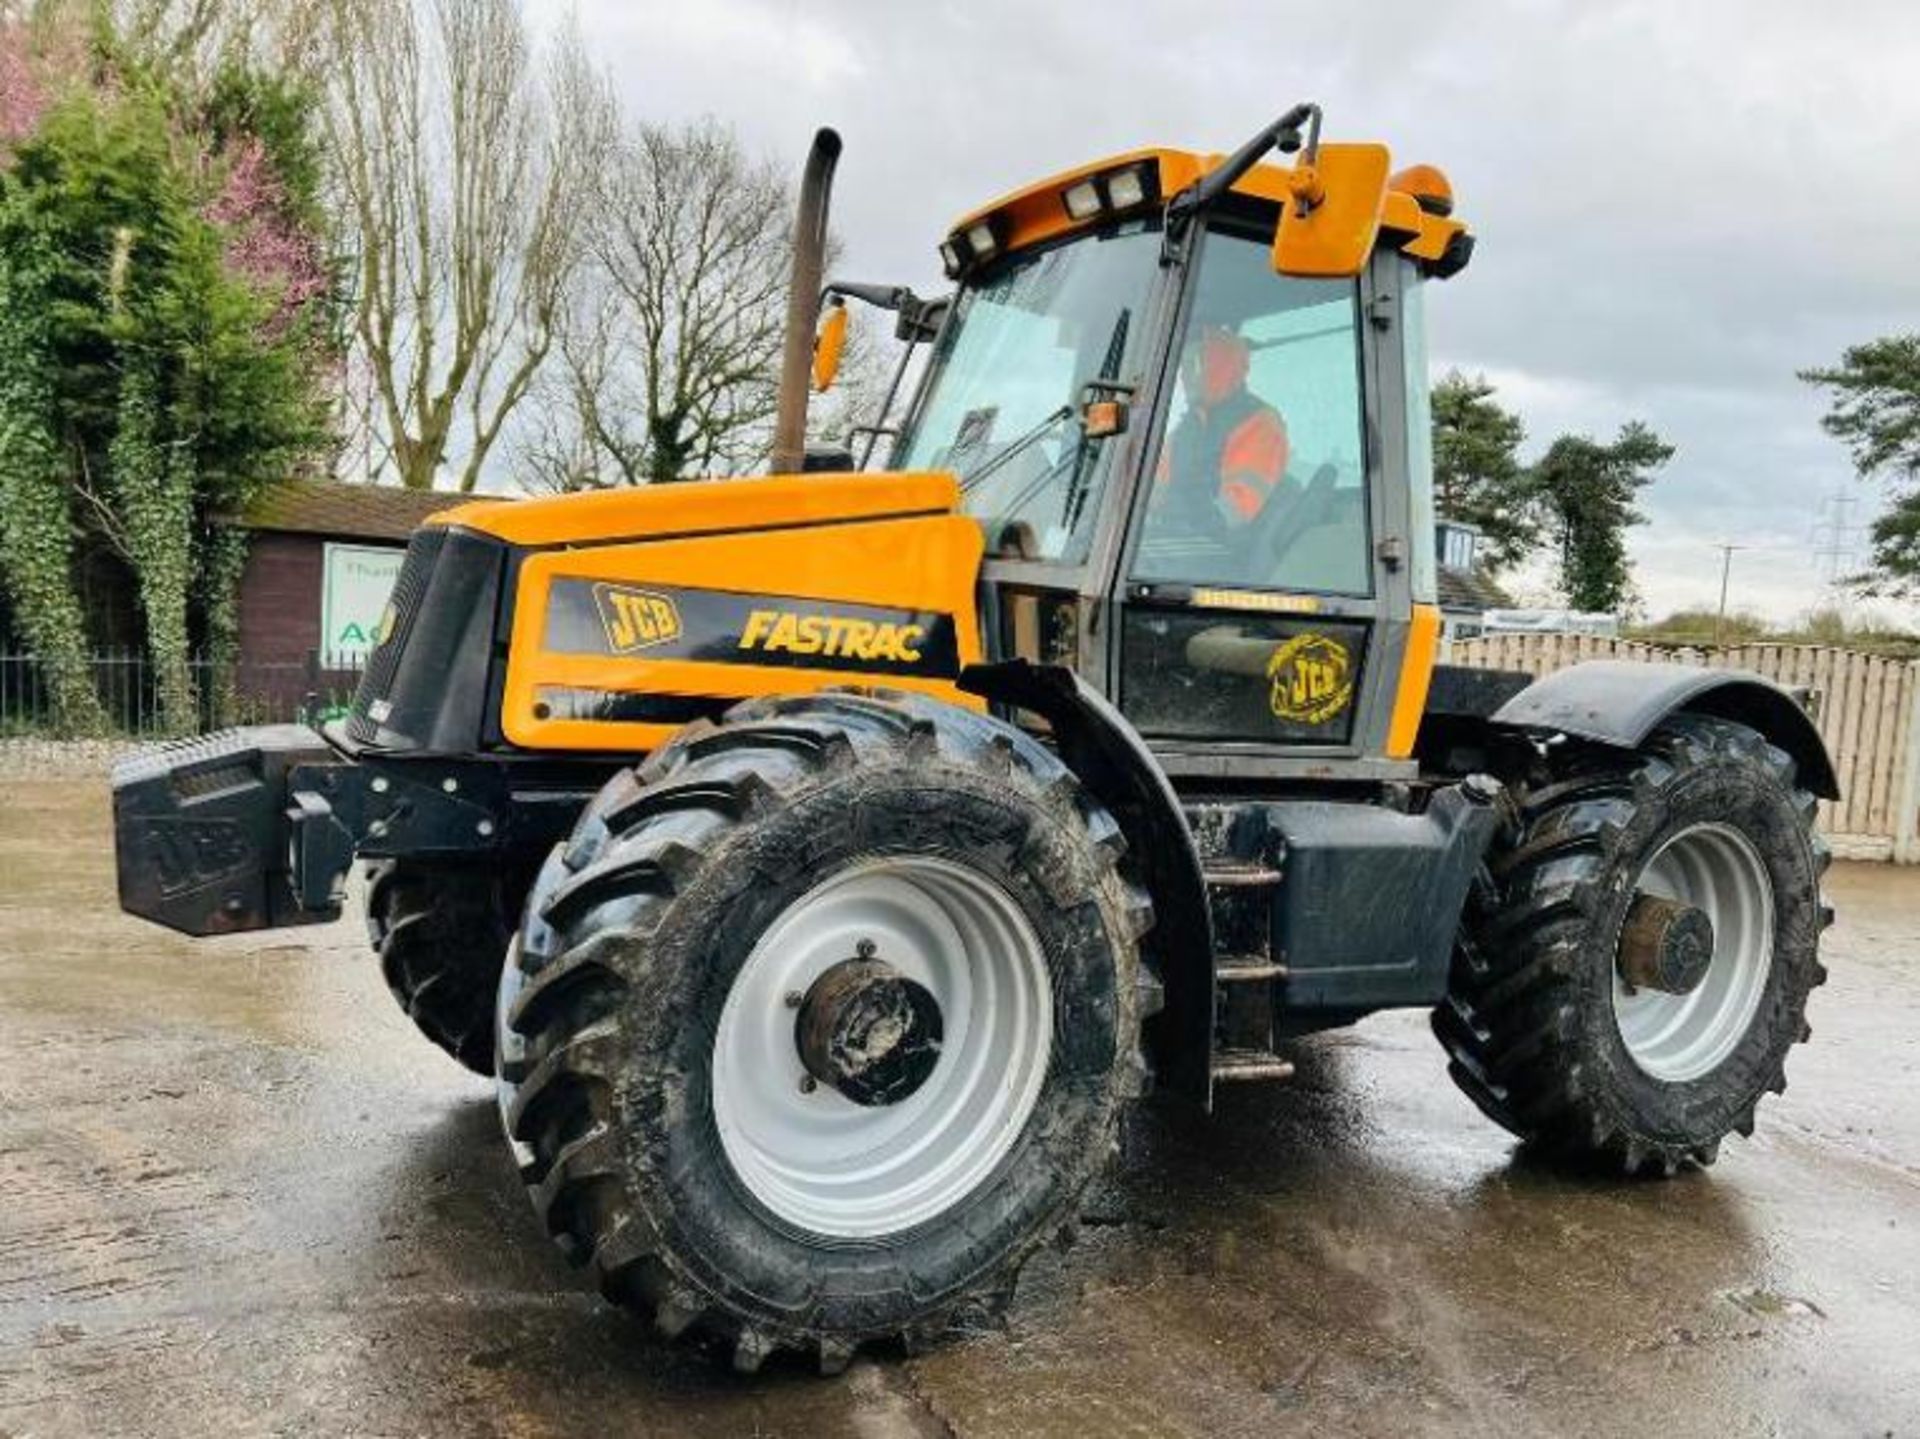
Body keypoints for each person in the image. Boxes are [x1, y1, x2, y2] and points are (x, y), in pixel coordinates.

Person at [1155, 325, 1290, 528]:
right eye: (1182, 366)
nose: (1184, 376)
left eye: (1193, 365)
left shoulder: (1260, 423)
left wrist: (1175, 516)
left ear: (1218, 366)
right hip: (1183, 535)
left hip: (1230, 546)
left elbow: (1233, 513)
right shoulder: (1188, 428)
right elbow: (1152, 488)